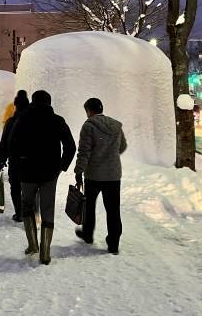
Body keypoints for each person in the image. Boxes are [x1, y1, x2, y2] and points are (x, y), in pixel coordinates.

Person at [10, 90, 76, 265]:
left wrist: (19, 163)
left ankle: (32, 245)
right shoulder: (57, 120)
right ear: (49, 102)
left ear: (33, 101)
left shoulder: (22, 119)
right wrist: (61, 167)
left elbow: (12, 144)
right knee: (47, 209)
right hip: (49, 173)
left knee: (27, 206)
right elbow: (70, 146)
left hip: (27, 173)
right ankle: (45, 252)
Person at [74, 98, 127, 255]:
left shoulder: (89, 126)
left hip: (94, 175)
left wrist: (79, 171)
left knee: (89, 206)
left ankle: (88, 234)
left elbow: (84, 151)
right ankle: (113, 243)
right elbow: (122, 146)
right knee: (113, 210)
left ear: (89, 111)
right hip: (113, 175)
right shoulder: (116, 126)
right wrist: (109, 156)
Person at [0, 90, 29, 222]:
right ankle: (29, 212)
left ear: (15, 106)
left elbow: (4, 141)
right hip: (30, 161)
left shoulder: (11, 122)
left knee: (15, 187)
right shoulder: (33, 121)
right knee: (29, 187)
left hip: (15, 161)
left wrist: (2, 159)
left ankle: (19, 212)